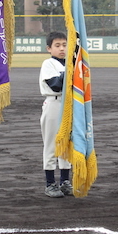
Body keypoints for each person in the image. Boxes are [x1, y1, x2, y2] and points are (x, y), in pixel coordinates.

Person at [39, 31, 73, 198]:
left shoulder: (69, 63)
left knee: (66, 144)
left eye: (65, 45)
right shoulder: (48, 63)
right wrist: (71, 70)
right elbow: (55, 85)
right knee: (52, 144)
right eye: (57, 45)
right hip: (53, 103)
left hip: (68, 105)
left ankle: (65, 181)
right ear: (49, 48)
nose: (62, 49)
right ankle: (50, 183)